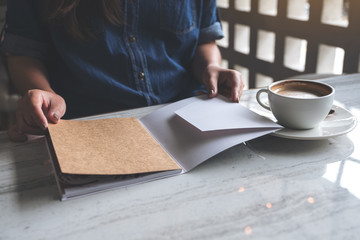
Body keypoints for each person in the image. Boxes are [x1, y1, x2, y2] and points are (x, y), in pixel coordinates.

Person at [1, 0, 244, 142]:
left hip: (186, 120)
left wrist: (210, 67)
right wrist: (45, 92)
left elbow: (203, 40)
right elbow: (25, 52)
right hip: (86, 127)